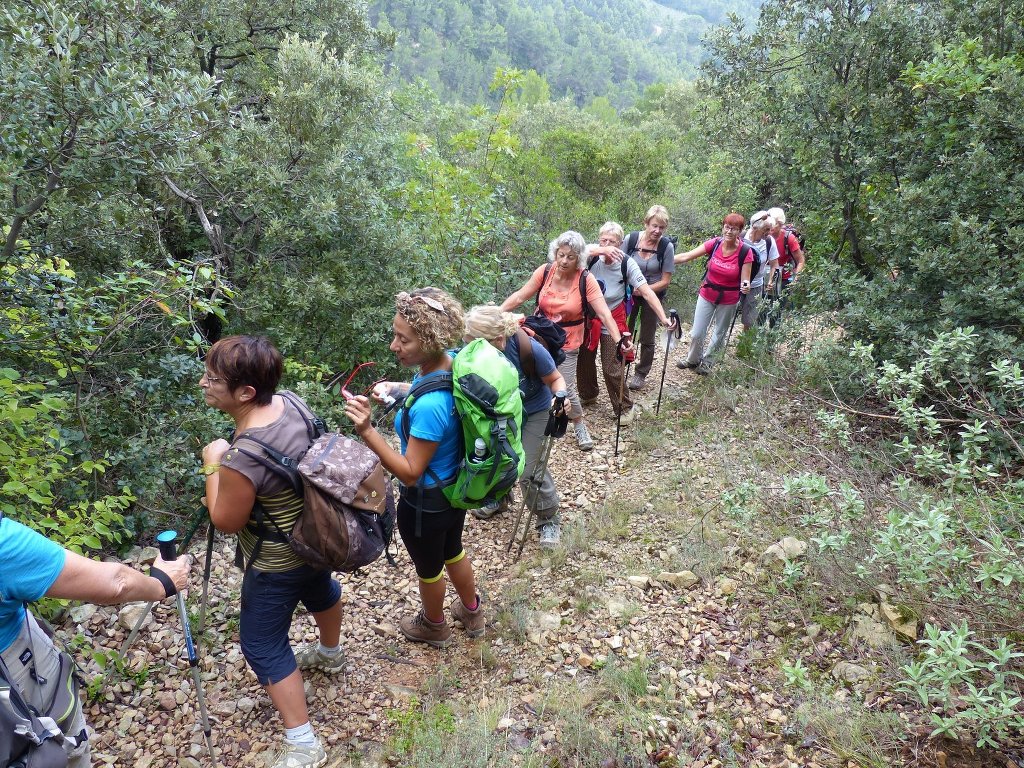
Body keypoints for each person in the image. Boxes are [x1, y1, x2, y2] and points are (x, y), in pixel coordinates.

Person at [200, 335, 342, 768]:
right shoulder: (291, 403)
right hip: (317, 536)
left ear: (245, 393)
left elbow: (225, 520)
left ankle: (303, 743)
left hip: (277, 560)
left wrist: (213, 463)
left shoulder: (242, 458)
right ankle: (331, 654)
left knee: (261, 643)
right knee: (320, 589)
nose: (203, 384)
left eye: (212, 379)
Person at [343, 288, 485, 649]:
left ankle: (434, 625)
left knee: (429, 567)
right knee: (454, 550)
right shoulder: (452, 363)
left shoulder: (430, 408)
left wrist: (367, 430)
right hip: (453, 489)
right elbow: (431, 390)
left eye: (402, 339)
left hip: (425, 503)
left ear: (429, 339)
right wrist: (400, 389)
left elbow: (409, 471)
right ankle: (472, 611)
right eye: (395, 334)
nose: (394, 345)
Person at [0, 513, 190, 767]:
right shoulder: (5, 543)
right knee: (58, 741)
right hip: (15, 664)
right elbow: (116, 584)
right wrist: (162, 584)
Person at [500, 231, 631, 452]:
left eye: (570, 257)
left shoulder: (585, 279)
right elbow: (521, 296)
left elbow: (604, 314)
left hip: (569, 341)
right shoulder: (545, 271)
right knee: (531, 378)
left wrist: (619, 341)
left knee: (566, 387)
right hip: (538, 335)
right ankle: (534, 421)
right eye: (561, 255)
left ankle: (579, 423)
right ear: (555, 253)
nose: (564, 261)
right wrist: (494, 313)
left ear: (578, 257)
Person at [463, 305, 568, 547]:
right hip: (501, 413)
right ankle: (499, 498)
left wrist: (560, 396)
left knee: (528, 469)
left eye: (476, 344)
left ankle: (548, 518)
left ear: (498, 339)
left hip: (535, 410)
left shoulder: (527, 348)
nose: (471, 350)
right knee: (497, 457)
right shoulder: (475, 352)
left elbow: (554, 378)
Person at [579, 222, 677, 423]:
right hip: (589, 316)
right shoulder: (590, 257)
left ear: (621, 243)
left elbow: (648, 292)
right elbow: (577, 249)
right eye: (603, 240)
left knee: (612, 364)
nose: (607, 245)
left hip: (613, 316)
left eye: (612, 242)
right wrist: (601, 249)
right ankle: (588, 394)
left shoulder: (626, 263)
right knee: (584, 360)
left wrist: (663, 317)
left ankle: (624, 407)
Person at [674, 212, 755, 374]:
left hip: (729, 299)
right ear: (723, 227)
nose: (729, 231)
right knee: (697, 332)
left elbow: (745, 279)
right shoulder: (715, 244)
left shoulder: (746, 252)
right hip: (707, 293)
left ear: (740, 231)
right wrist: (663, 260)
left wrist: (745, 286)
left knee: (719, 333)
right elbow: (687, 256)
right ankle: (693, 359)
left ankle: (708, 362)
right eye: (727, 227)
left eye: (734, 229)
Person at [622, 205, 676, 391]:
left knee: (647, 335)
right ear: (646, 223)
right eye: (654, 226)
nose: (657, 231)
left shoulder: (666, 247)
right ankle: (620, 363)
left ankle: (641, 372)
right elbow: (619, 264)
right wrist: (633, 289)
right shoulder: (631, 240)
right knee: (623, 331)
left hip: (652, 294)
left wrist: (644, 290)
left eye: (661, 227)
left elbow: (666, 280)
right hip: (628, 294)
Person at [740, 211, 780, 331]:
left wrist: (771, 280)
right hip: (737, 284)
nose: (769, 232)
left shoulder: (769, 242)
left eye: (770, 229)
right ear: (755, 227)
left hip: (756, 285)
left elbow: (775, 265)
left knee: (750, 320)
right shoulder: (741, 239)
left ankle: (744, 346)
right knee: (728, 315)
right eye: (766, 229)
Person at [766, 206, 805, 295]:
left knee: (780, 305)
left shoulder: (789, 238)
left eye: (774, 223)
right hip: (763, 277)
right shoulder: (762, 236)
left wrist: (796, 278)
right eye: (769, 223)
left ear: (780, 224)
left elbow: (801, 260)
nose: (770, 226)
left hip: (783, 279)